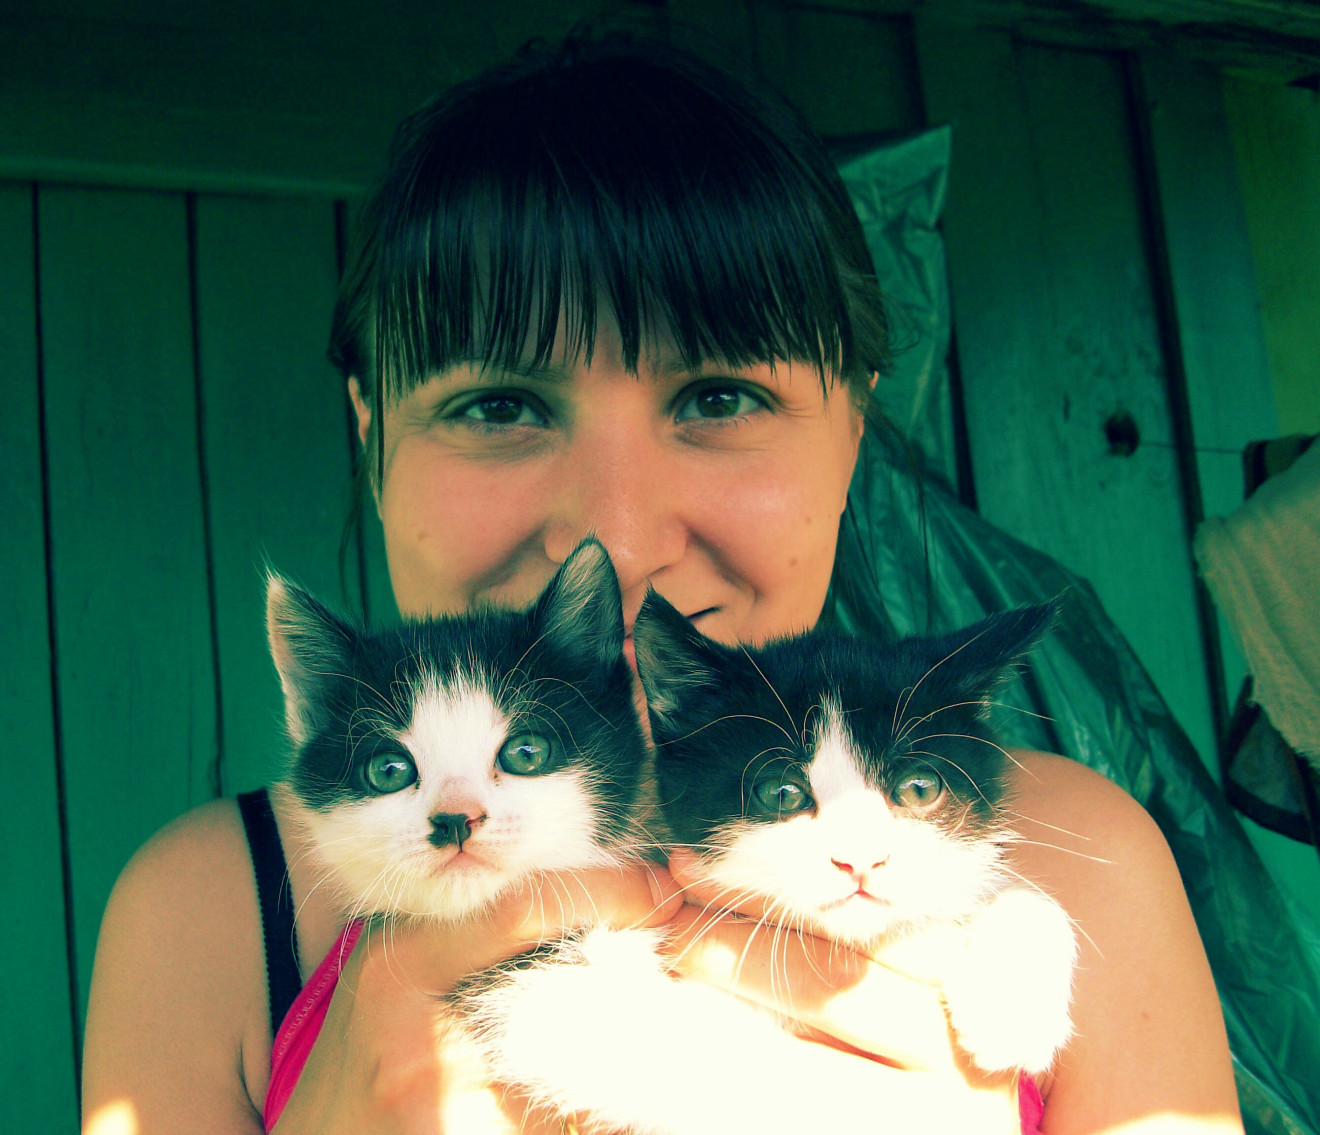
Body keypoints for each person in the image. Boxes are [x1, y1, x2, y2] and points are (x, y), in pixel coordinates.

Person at [80, 33, 1244, 1135]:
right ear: (372, 435)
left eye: (719, 398)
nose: (619, 545)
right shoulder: (211, 918)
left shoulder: (1078, 865)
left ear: (853, 435)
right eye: (499, 405)